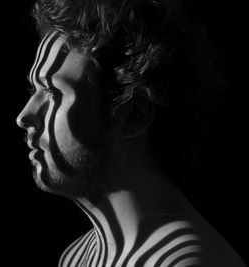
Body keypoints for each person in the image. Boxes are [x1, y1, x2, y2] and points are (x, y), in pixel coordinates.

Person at [16, 0, 245, 266]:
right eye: (35, 90)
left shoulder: (186, 262)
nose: (23, 116)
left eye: (54, 92)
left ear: (134, 116)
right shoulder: (76, 257)